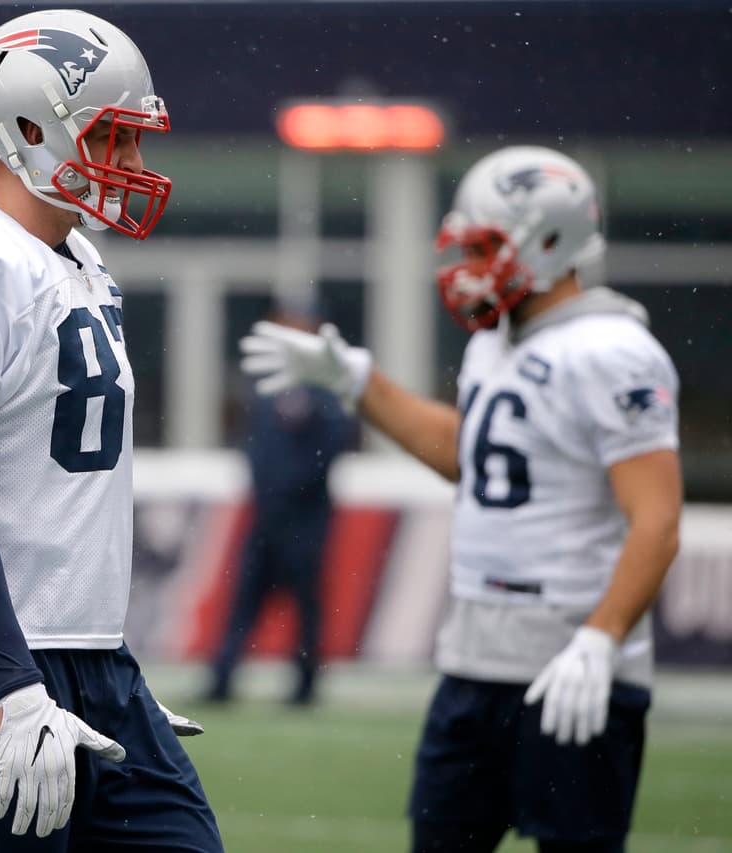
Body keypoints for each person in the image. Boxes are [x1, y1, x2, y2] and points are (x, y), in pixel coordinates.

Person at [240, 145, 682, 852]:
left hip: (572, 663)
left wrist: (603, 636)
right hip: (475, 663)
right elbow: (467, 454)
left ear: (549, 241)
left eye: (485, 247)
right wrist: (359, 381)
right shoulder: (495, 342)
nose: (469, 268)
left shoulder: (612, 349)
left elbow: (657, 517)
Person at [0, 9, 222, 851]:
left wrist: (93, 662)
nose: (133, 164)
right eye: (113, 138)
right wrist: (16, 687)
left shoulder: (82, 263)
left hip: (92, 660)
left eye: (135, 141)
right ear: (28, 128)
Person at [205, 302, 356, 706]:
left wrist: (290, 489)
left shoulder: (327, 384)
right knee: (244, 600)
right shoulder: (266, 379)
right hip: (267, 513)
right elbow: (254, 440)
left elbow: (335, 442)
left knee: (306, 604)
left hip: (305, 516)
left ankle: (305, 685)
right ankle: (222, 678)